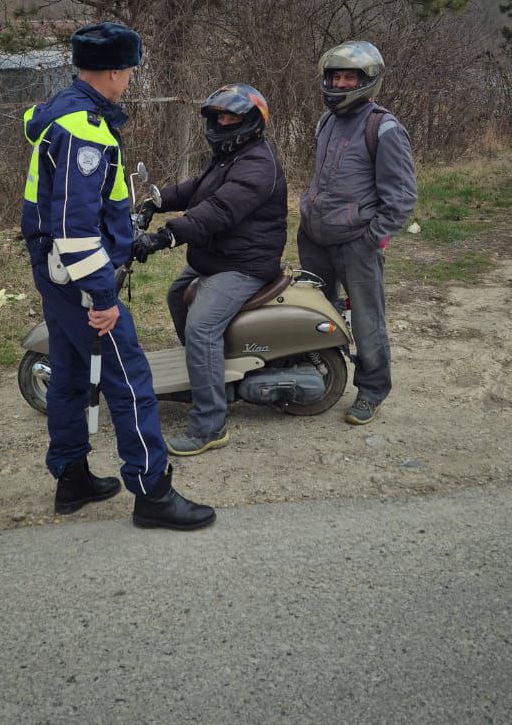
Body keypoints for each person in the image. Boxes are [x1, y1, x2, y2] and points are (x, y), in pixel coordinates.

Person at [20, 20, 215, 530]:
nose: (130, 78)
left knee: (67, 376)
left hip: (55, 275)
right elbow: (74, 227)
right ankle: (152, 492)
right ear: (111, 72)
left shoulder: (59, 111)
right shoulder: (83, 130)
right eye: (129, 70)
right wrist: (103, 296)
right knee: (130, 381)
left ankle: (72, 476)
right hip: (80, 279)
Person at [134, 85, 287, 456]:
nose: (222, 123)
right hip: (220, 259)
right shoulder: (228, 155)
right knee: (176, 295)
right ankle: (205, 373)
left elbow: (217, 210)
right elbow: (197, 189)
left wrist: (166, 237)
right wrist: (156, 201)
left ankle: (210, 426)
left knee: (202, 328)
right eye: (218, 116)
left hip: (244, 265)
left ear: (251, 122)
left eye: (231, 117)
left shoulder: (257, 165)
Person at [298, 41, 417, 425]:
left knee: (366, 320)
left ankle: (371, 391)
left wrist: (371, 240)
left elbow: (401, 197)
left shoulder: (383, 128)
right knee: (315, 313)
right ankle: (320, 375)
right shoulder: (326, 121)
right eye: (335, 76)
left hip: (356, 243)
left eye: (350, 77)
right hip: (314, 238)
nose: (341, 83)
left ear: (366, 82)